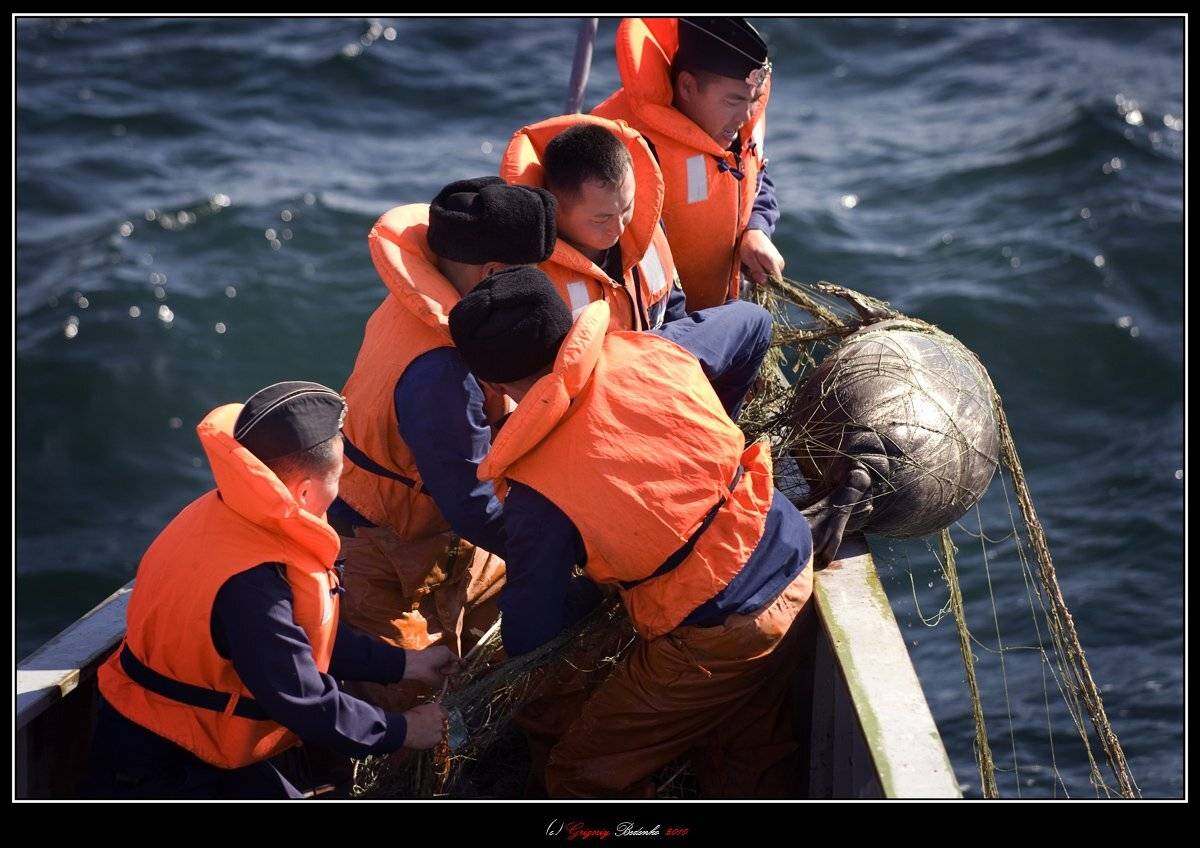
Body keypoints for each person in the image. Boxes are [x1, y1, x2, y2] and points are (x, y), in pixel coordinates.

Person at [448, 270, 816, 798]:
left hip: (721, 633)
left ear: (494, 386)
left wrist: (593, 586)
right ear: (567, 329)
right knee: (745, 740)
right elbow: (754, 324)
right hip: (793, 553)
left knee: (579, 775)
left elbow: (531, 633)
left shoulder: (535, 494)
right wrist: (712, 424)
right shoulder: (655, 350)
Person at [84, 381, 459, 799]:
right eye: (337, 478)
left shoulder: (225, 511)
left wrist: (407, 664)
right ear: (303, 491)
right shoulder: (252, 582)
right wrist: (404, 729)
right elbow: (300, 698)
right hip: (164, 761)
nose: (339, 490)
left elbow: (303, 643)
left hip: (188, 731)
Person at [329, 178, 557, 710]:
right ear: (494, 274)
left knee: (491, 638)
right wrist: (559, 556)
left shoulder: (417, 300)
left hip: (439, 535)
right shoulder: (442, 371)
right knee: (409, 710)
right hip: (378, 552)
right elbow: (472, 505)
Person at [593, 17, 784, 310]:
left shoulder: (733, 128)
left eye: (753, 99)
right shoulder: (625, 150)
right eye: (732, 101)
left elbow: (756, 176)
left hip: (720, 307)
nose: (745, 116)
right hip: (662, 328)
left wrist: (756, 230)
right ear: (687, 87)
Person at [501, 116, 683, 331]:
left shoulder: (649, 228)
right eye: (601, 218)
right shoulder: (528, 279)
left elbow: (675, 308)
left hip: (665, 354)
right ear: (555, 209)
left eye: (626, 208)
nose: (620, 228)